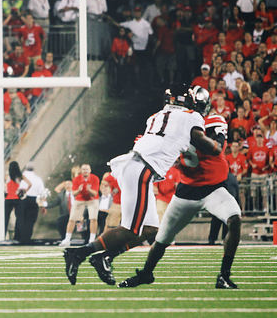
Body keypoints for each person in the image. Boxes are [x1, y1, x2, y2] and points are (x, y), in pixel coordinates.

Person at [63, 86, 222, 286]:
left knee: (150, 230)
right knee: (130, 229)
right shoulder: (192, 118)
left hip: (138, 166)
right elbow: (205, 144)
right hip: (142, 170)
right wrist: (219, 141)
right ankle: (78, 254)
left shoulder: (157, 116)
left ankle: (105, 257)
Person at [120, 114, 241, 289]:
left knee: (234, 219)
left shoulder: (212, 122)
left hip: (213, 189)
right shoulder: (173, 129)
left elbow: (216, 147)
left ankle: (224, 276)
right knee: (162, 240)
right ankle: (146, 273)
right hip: (186, 193)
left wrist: (181, 142)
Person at [60, 164, 100, 247]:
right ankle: (67, 239)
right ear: (81, 171)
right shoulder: (76, 179)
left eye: (87, 169)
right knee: (72, 219)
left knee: (93, 219)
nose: (85, 171)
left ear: (90, 170)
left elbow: (95, 193)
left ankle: (92, 239)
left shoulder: (95, 178)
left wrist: (89, 190)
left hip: (92, 200)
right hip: (80, 199)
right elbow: (74, 193)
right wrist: (79, 190)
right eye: (83, 169)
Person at [5, 161, 31, 240]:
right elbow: (30, 184)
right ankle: (18, 237)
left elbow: (4, 186)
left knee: (6, 218)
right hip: (17, 198)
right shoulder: (20, 176)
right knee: (19, 218)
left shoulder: (7, 176)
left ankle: (3, 234)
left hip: (8, 198)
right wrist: (24, 190)